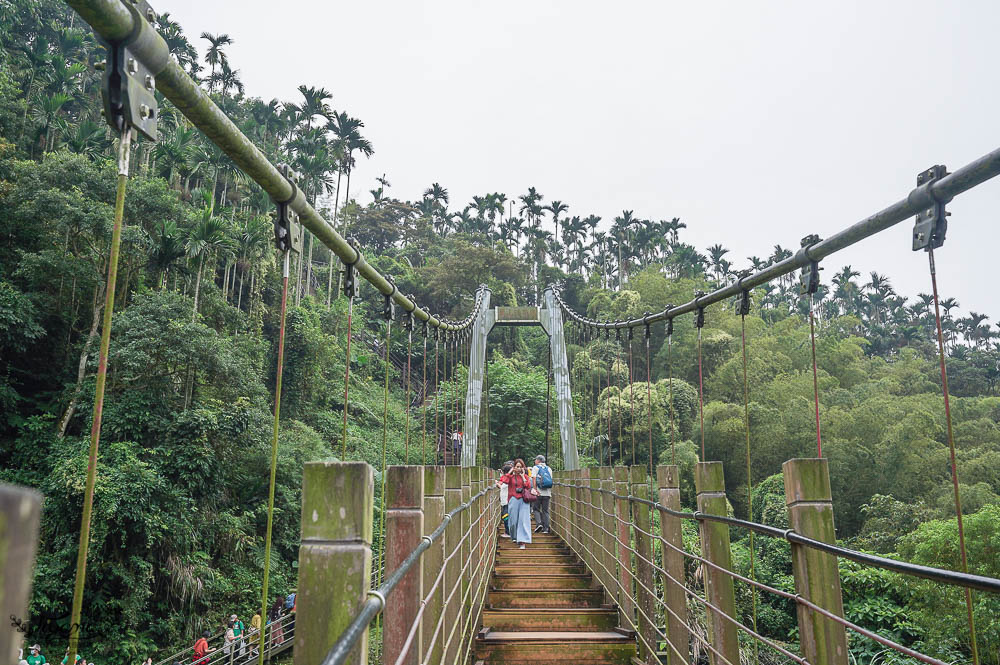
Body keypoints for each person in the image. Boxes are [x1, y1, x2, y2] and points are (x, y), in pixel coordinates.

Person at [497, 458, 535, 548]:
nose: (518, 468)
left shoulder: (525, 476)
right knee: (513, 521)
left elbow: (528, 486)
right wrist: (510, 472)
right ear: (514, 467)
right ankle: (514, 536)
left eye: (520, 467)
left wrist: (522, 476)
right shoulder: (510, 477)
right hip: (513, 499)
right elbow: (503, 481)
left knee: (523, 520)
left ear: (523, 468)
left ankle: (522, 541)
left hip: (523, 500)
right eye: (517, 466)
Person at [531, 455, 553, 534]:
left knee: (536, 509)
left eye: (535, 460)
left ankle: (539, 524)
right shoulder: (549, 469)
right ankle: (546, 529)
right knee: (545, 511)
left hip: (538, 493)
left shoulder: (535, 468)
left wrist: (535, 490)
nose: (535, 461)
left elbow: (534, 479)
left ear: (538, 460)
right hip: (547, 493)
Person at [498, 461, 513, 537]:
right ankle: (509, 531)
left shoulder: (508, 480)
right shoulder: (510, 479)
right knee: (507, 516)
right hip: (508, 500)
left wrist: (497, 484)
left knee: (505, 516)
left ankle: (508, 532)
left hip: (507, 501)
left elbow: (503, 487)